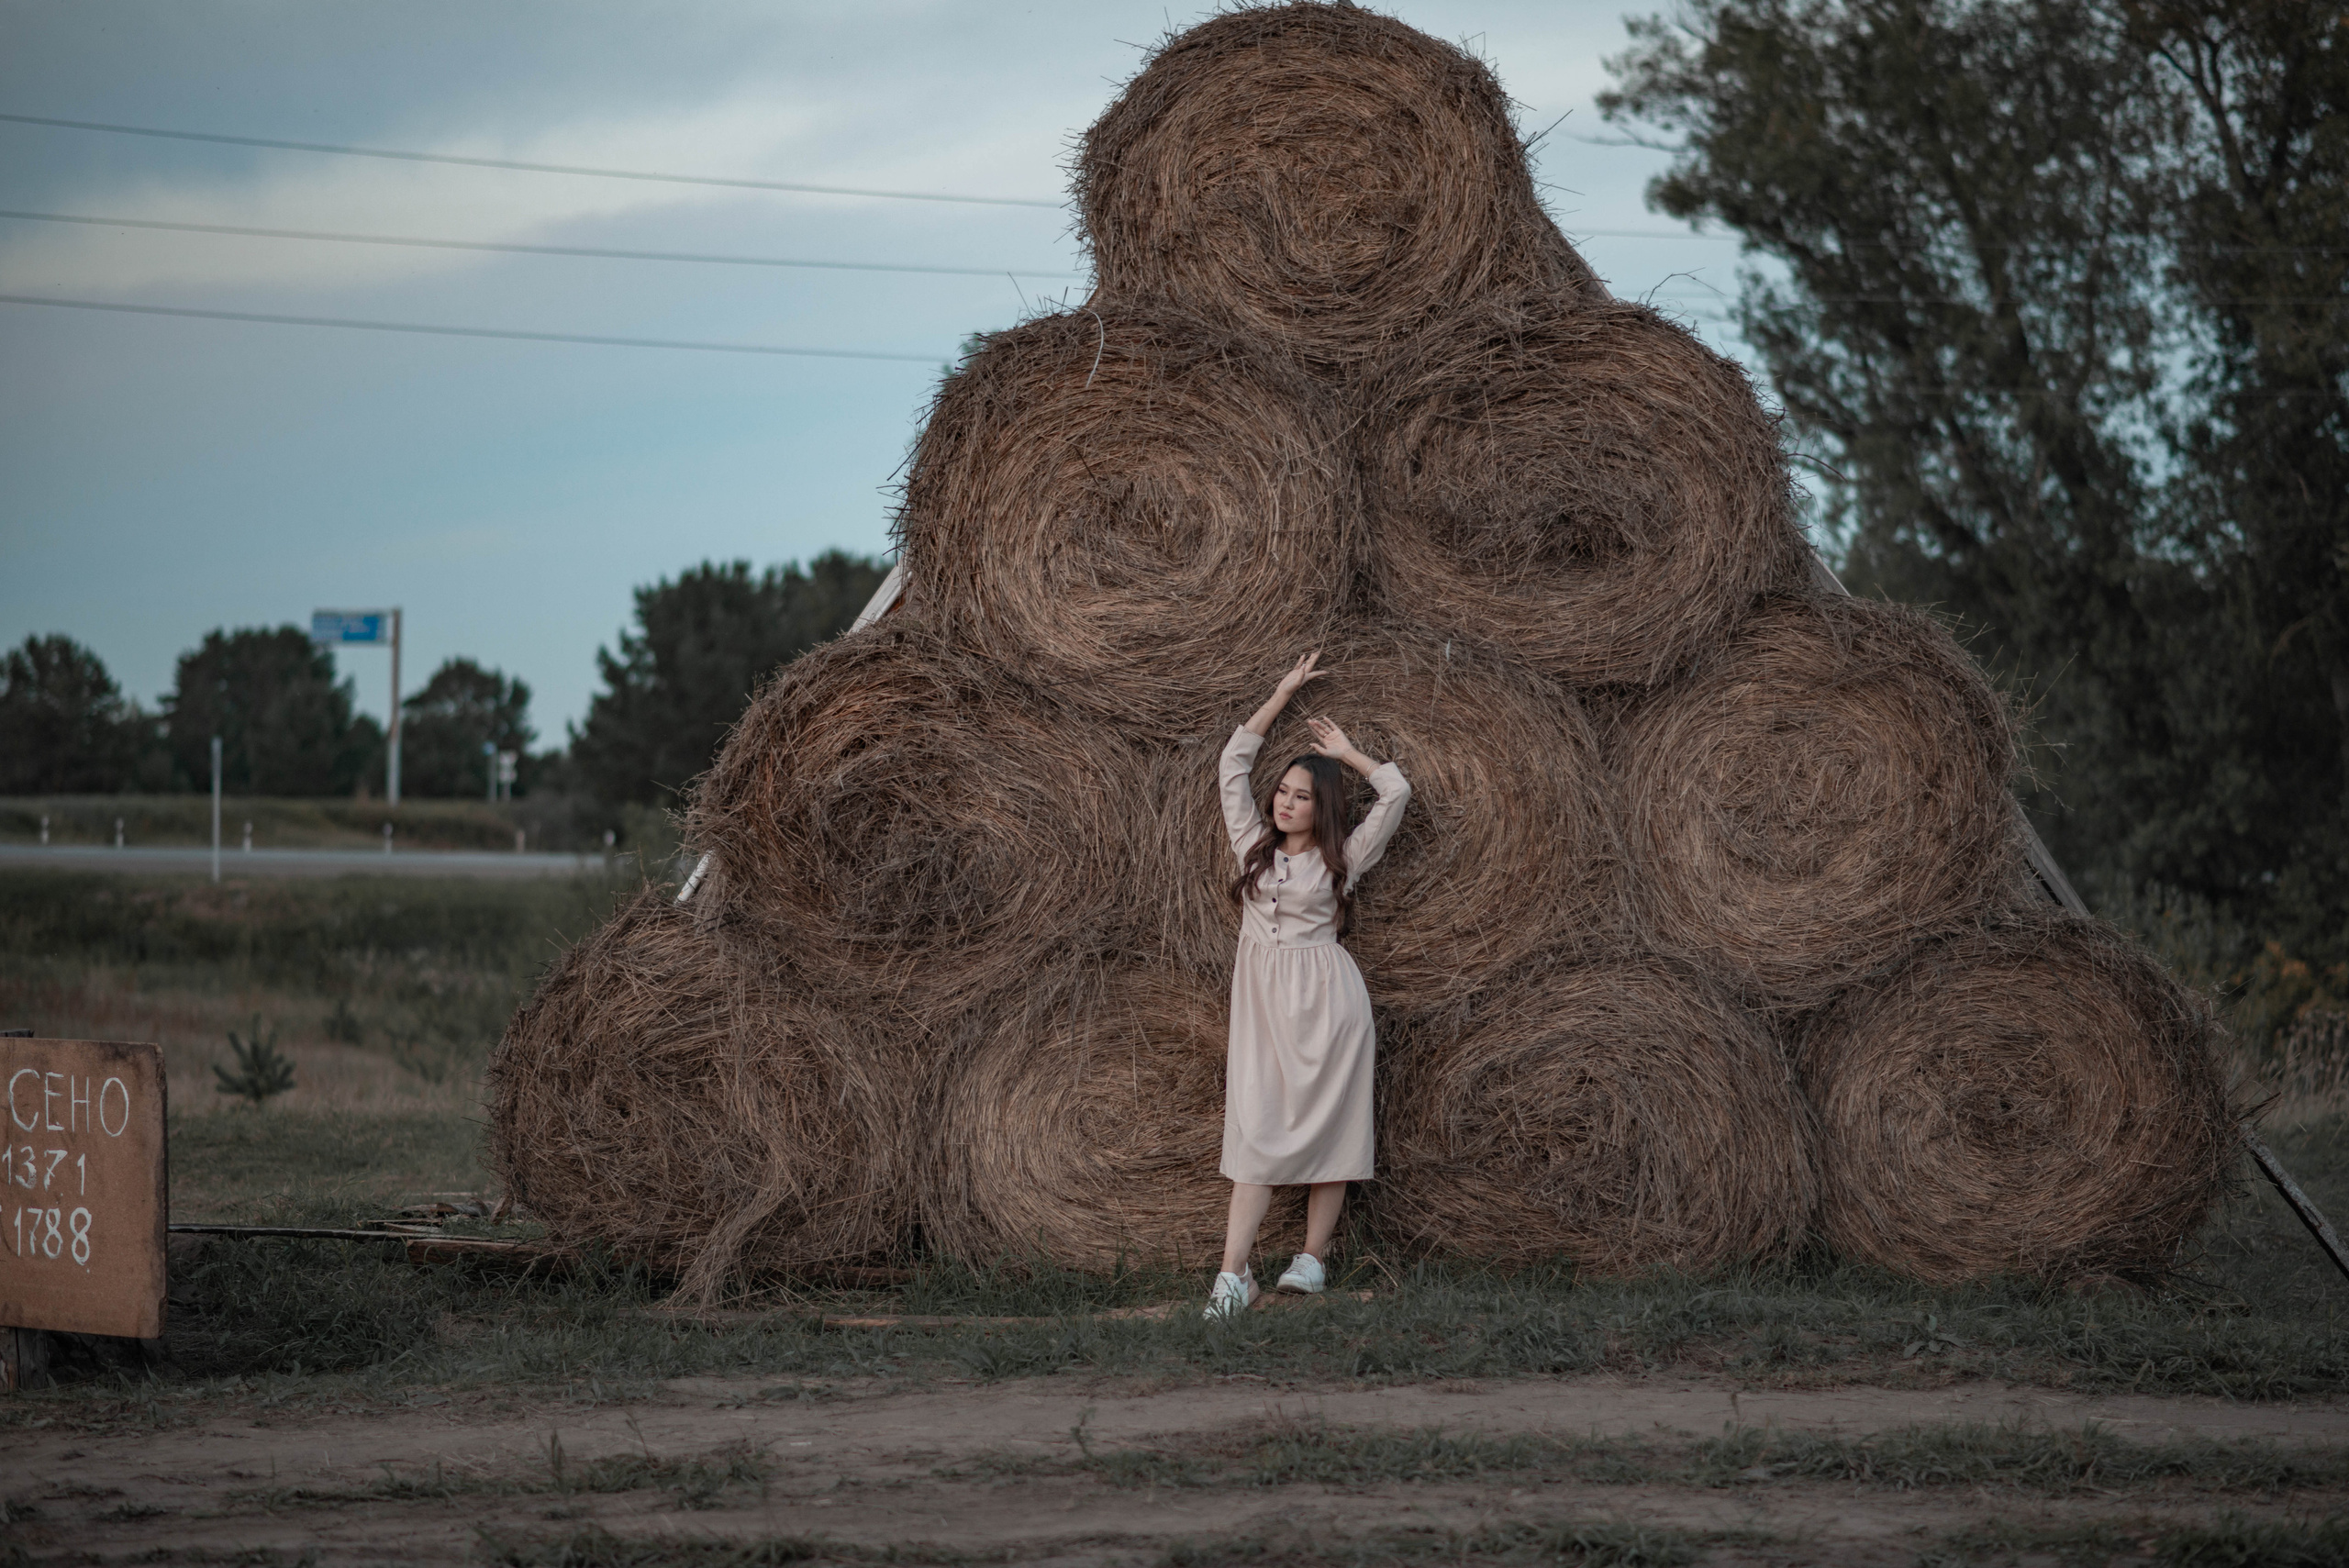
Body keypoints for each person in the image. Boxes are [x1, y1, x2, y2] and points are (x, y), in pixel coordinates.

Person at [1206, 651, 1412, 1319]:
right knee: (1255, 1132)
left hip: (1330, 1004)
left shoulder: (1342, 857)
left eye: (1301, 796)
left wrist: (1347, 754)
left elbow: (1396, 792)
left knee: (1333, 1129)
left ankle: (1312, 1260)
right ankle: (1232, 1276)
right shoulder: (1251, 847)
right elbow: (1232, 766)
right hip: (1263, 1009)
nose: (1286, 802)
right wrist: (1281, 692)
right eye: (1283, 791)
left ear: (1321, 807)